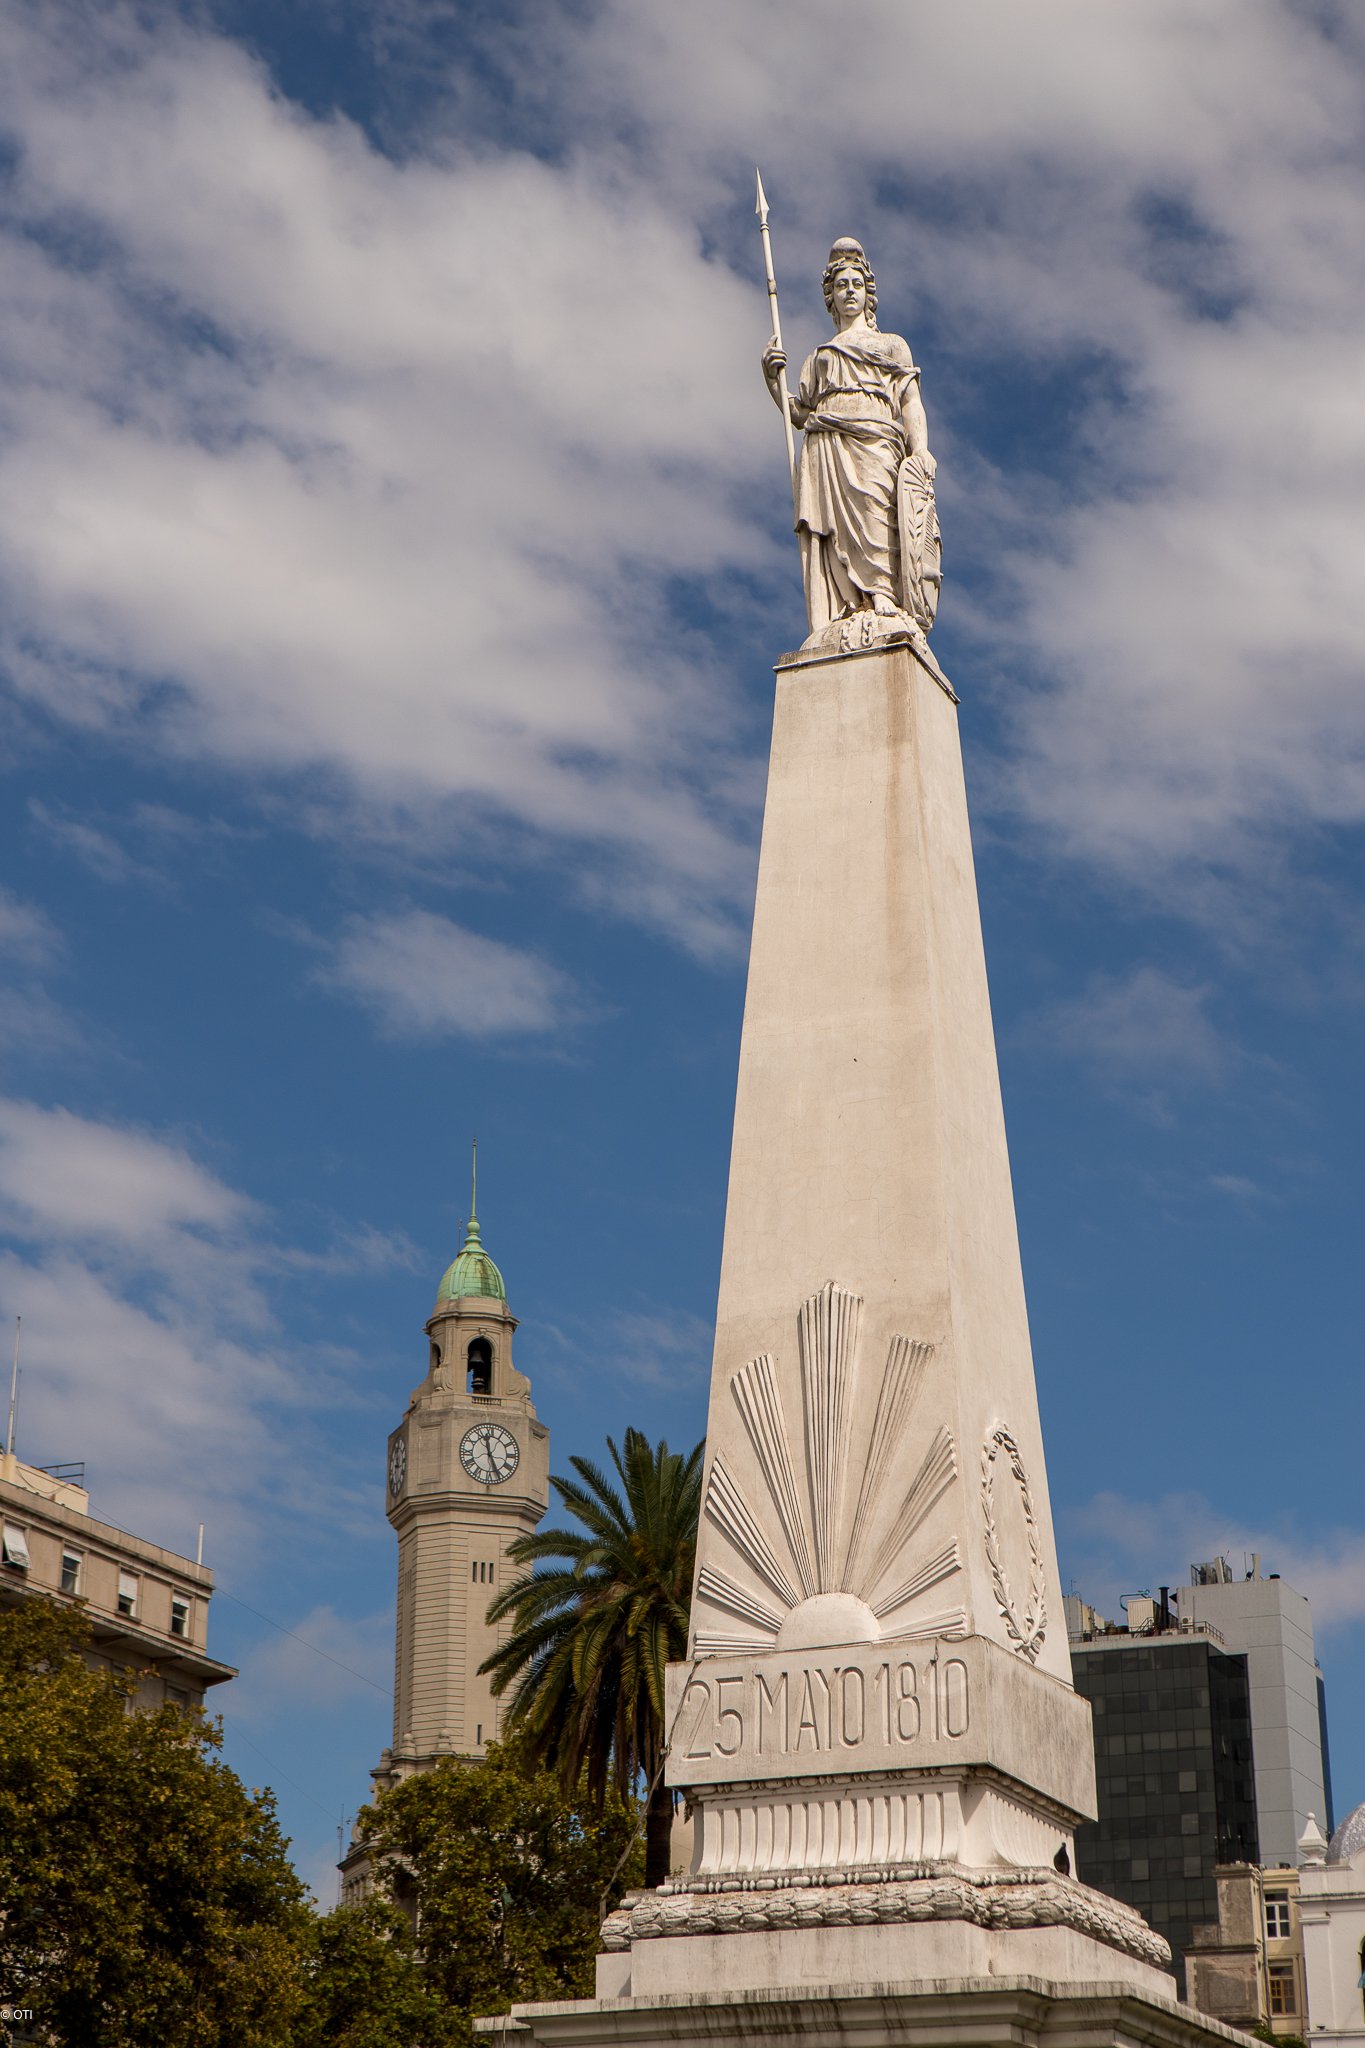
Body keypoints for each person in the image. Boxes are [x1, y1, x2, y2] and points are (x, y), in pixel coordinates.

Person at [762, 238, 939, 637]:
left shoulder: (890, 345)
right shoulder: (819, 356)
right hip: (826, 446)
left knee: (877, 515)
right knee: (836, 530)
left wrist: (921, 450)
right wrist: (773, 380)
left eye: (856, 284)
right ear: (831, 296)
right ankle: (847, 605)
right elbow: (798, 413)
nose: (850, 292)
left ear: (868, 293)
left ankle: (884, 599)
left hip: (876, 439)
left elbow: (910, 403)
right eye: (841, 285)